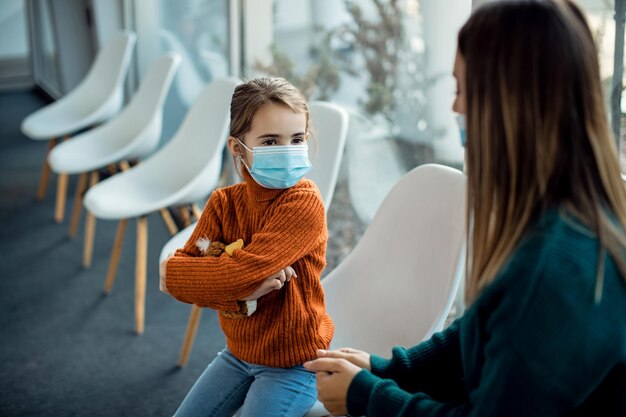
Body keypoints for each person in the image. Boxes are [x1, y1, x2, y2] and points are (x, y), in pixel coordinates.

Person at [304, 0, 626, 415]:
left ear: (508, 105)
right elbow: (486, 330)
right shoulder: (578, 211)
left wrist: (367, 395)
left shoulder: (551, 272)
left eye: (461, 90)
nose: (456, 109)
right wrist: (388, 370)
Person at [159, 77, 334, 417]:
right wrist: (243, 292)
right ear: (238, 148)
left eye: (296, 139)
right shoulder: (223, 203)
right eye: (270, 141)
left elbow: (226, 271)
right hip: (238, 353)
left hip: (296, 362)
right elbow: (184, 270)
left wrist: (186, 275)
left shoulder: (303, 202)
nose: (286, 149)